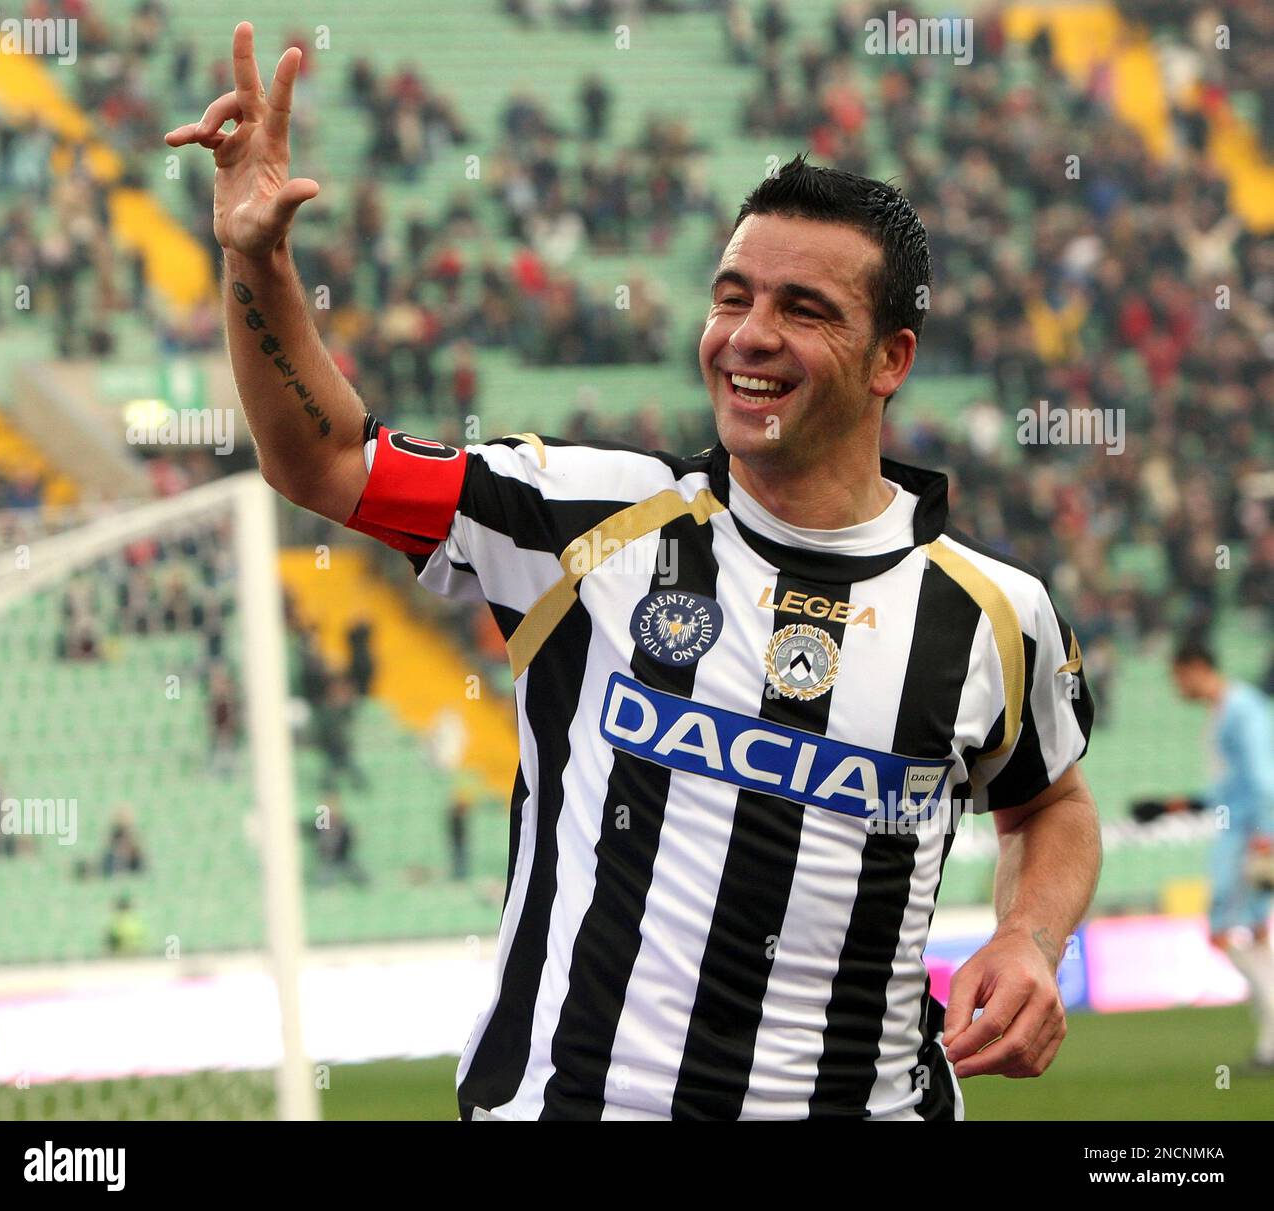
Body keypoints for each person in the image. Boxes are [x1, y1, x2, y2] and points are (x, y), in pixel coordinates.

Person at [167, 24, 1100, 1121]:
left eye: (804, 309)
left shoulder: (995, 613)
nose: (748, 335)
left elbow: (1050, 805)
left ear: (892, 357)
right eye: (732, 295)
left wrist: (1028, 936)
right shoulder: (589, 517)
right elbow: (325, 458)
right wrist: (256, 259)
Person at [1170, 637, 1274, 1072]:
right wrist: (1181, 803)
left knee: (1222, 930)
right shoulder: (1227, 710)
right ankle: (1270, 1043)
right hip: (1243, 831)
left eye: (1177, 677)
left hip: (1248, 837)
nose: (1177, 688)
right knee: (1256, 931)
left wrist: (1266, 837)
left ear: (1194, 668)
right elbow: (1231, 786)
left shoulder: (1241, 708)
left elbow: (1264, 778)